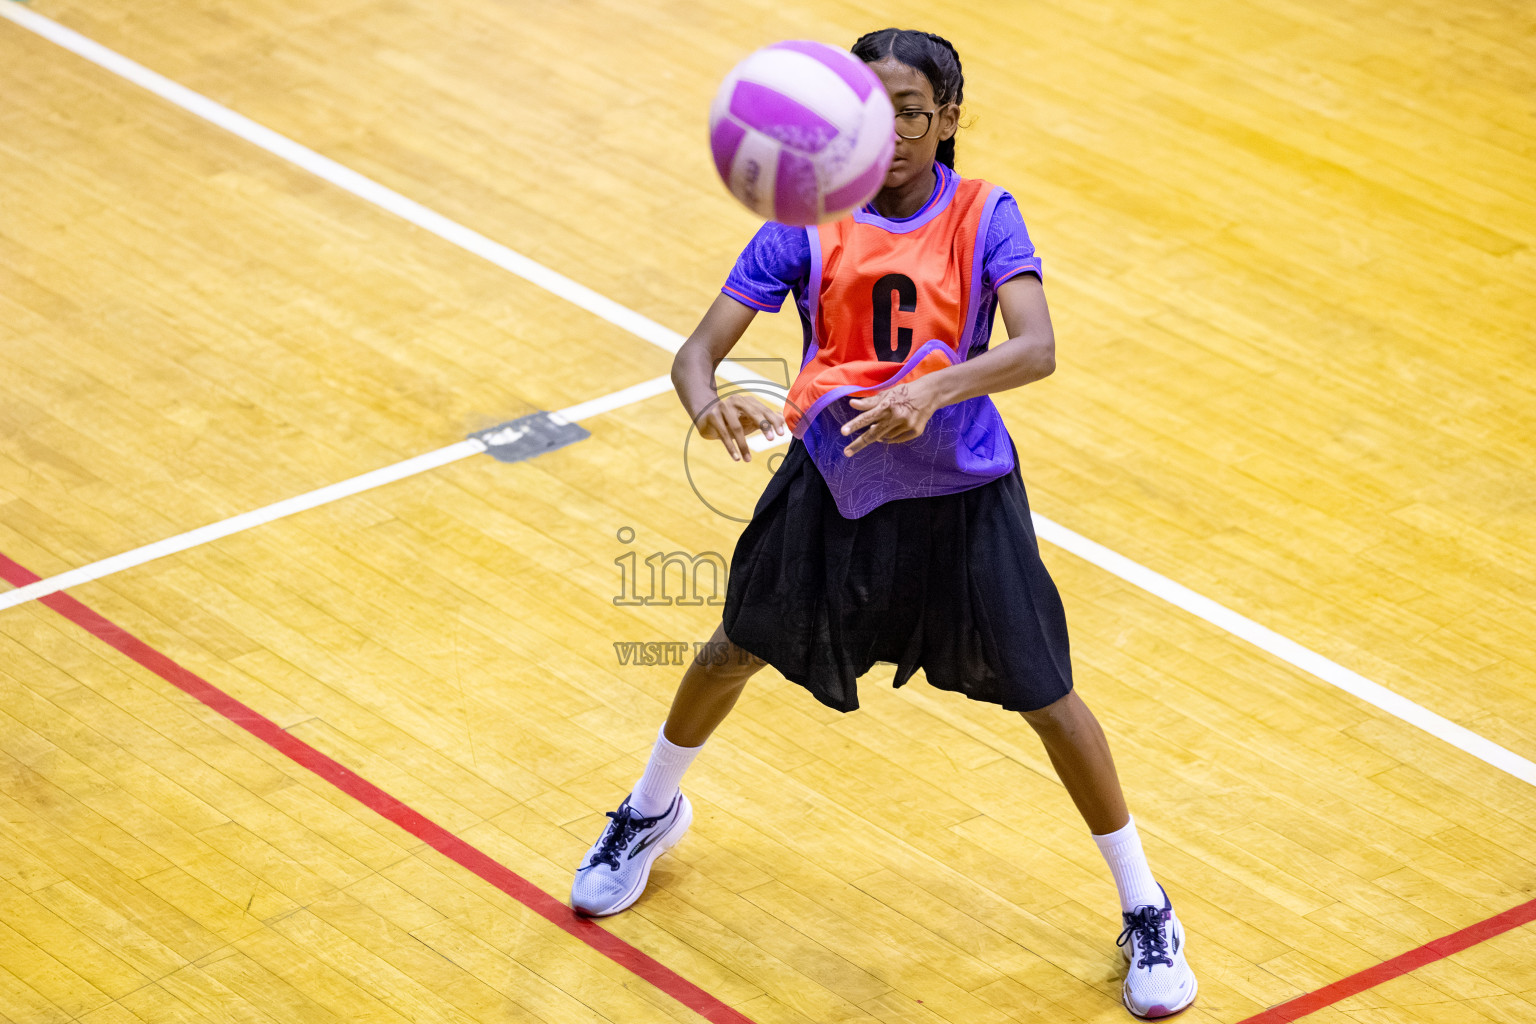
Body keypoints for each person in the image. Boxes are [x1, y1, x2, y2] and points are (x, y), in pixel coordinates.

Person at [571, 27, 1198, 1020]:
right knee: (733, 647)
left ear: (947, 118)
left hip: (962, 491)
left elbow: (1035, 349)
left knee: (1047, 695)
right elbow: (695, 353)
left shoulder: (987, 213)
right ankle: (648, 813)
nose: (891, 133)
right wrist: (709, 404)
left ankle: (1146, 902)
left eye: (910, 113)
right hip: (837, 480)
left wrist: (938, 387)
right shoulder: (804, 219)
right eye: (872, 113)